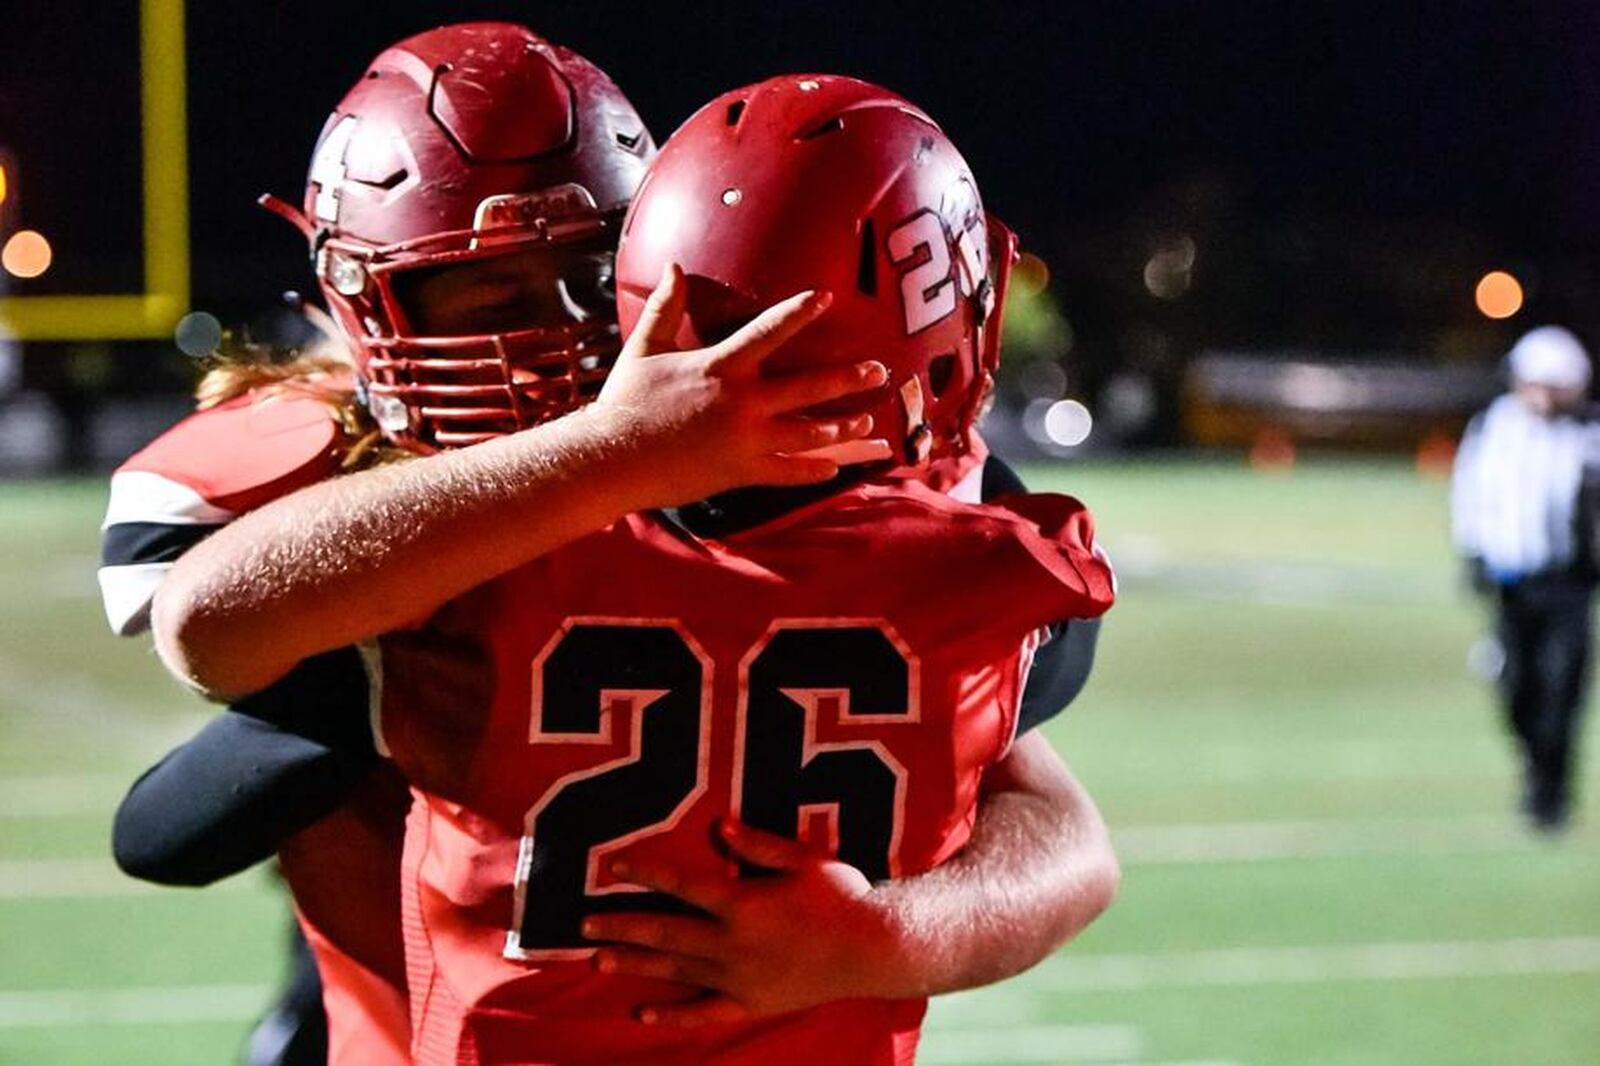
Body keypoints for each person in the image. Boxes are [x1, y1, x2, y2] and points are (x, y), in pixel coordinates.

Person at [108, 24, 1112, 1066]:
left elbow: (1053, 824)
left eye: (593, 276)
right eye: (491, 295)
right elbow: (190, 756)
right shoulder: (345, 471)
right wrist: (604, 461)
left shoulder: (795, 480)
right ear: (363, 303)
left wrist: (889, 936)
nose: (555, 337)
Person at [1452, 324, 1600, 831]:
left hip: (1569, 582)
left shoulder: (1588, 434)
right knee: (1517, 688)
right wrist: (1472, 552)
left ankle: (1551, 795)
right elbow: (1471, 492)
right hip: (1512, 581)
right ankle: (1534, 765)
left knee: (1563, 688)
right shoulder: (1494, 427)